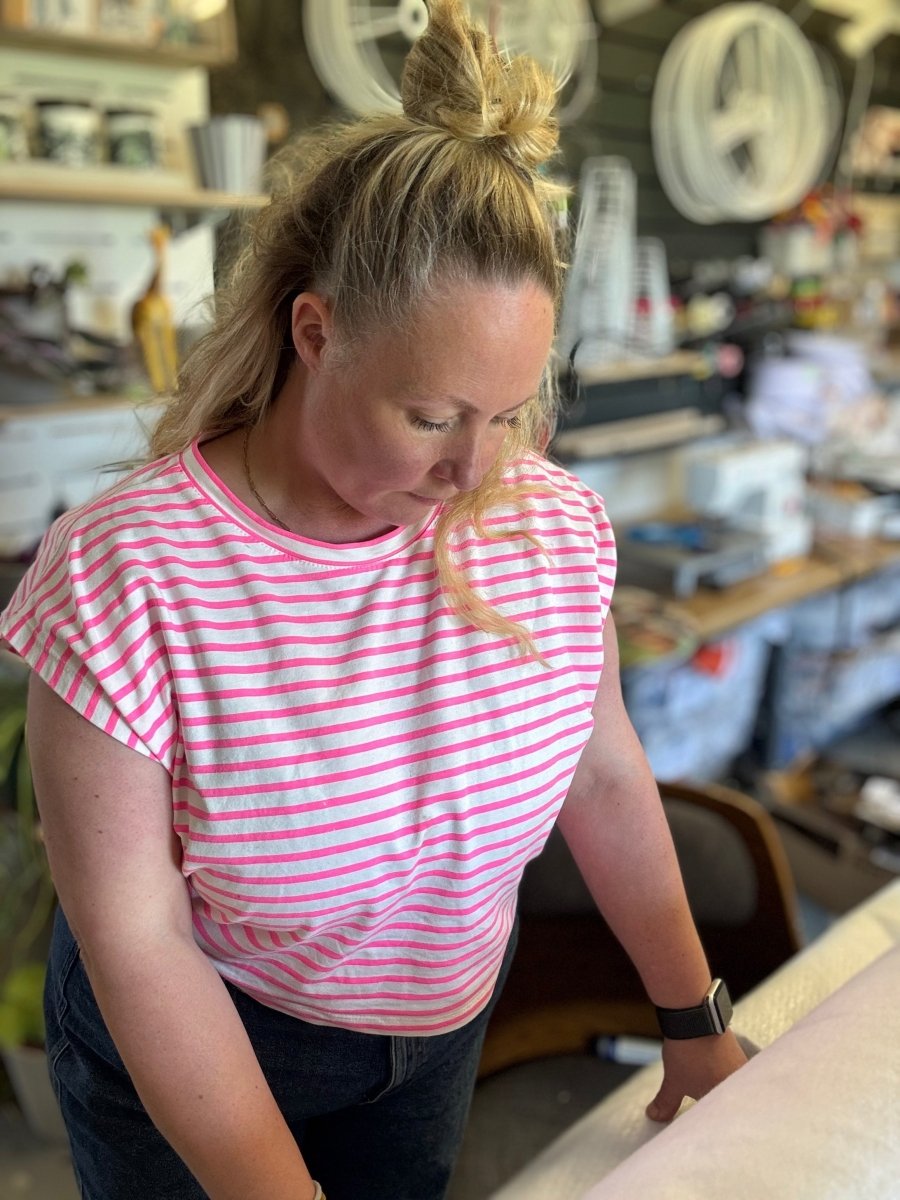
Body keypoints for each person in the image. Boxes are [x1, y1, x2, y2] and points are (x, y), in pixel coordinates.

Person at [1, 3, 747, 1198]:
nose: (475, 470)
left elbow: (600, 772)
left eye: (508, 415)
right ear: (316, 331)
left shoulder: (548, 521)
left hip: (436, 1035)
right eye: (433, 416)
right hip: (205, 1039)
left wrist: (694, 1013)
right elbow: (140, 938)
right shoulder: (130, 575)